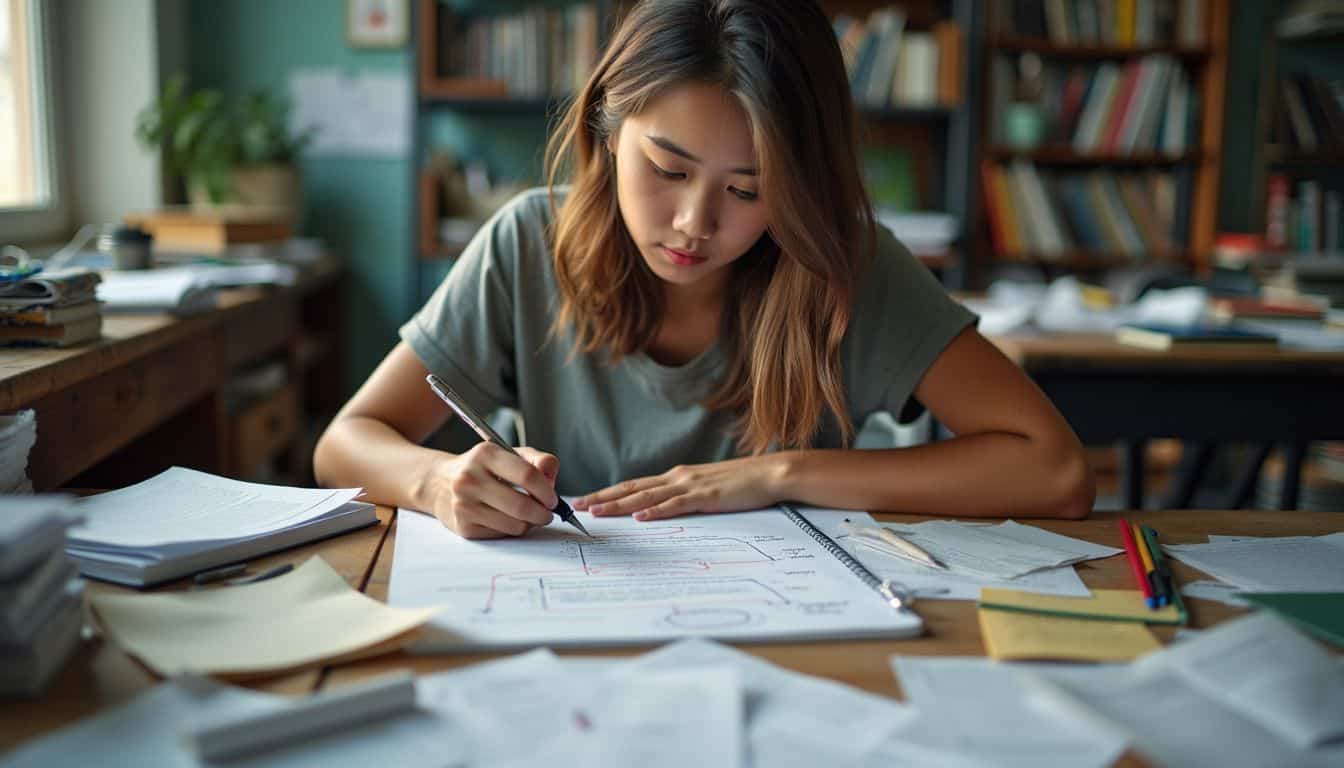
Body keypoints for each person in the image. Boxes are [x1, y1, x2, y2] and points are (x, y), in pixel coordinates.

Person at [313, 0, 1094, 540]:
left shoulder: (842, 265)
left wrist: (782, 473)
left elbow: (1055, 470)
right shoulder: (528, 243)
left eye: (749, 190)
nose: (695, 224)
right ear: (609, 129)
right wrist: (438, 484)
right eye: (668, 168)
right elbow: (345, 443)